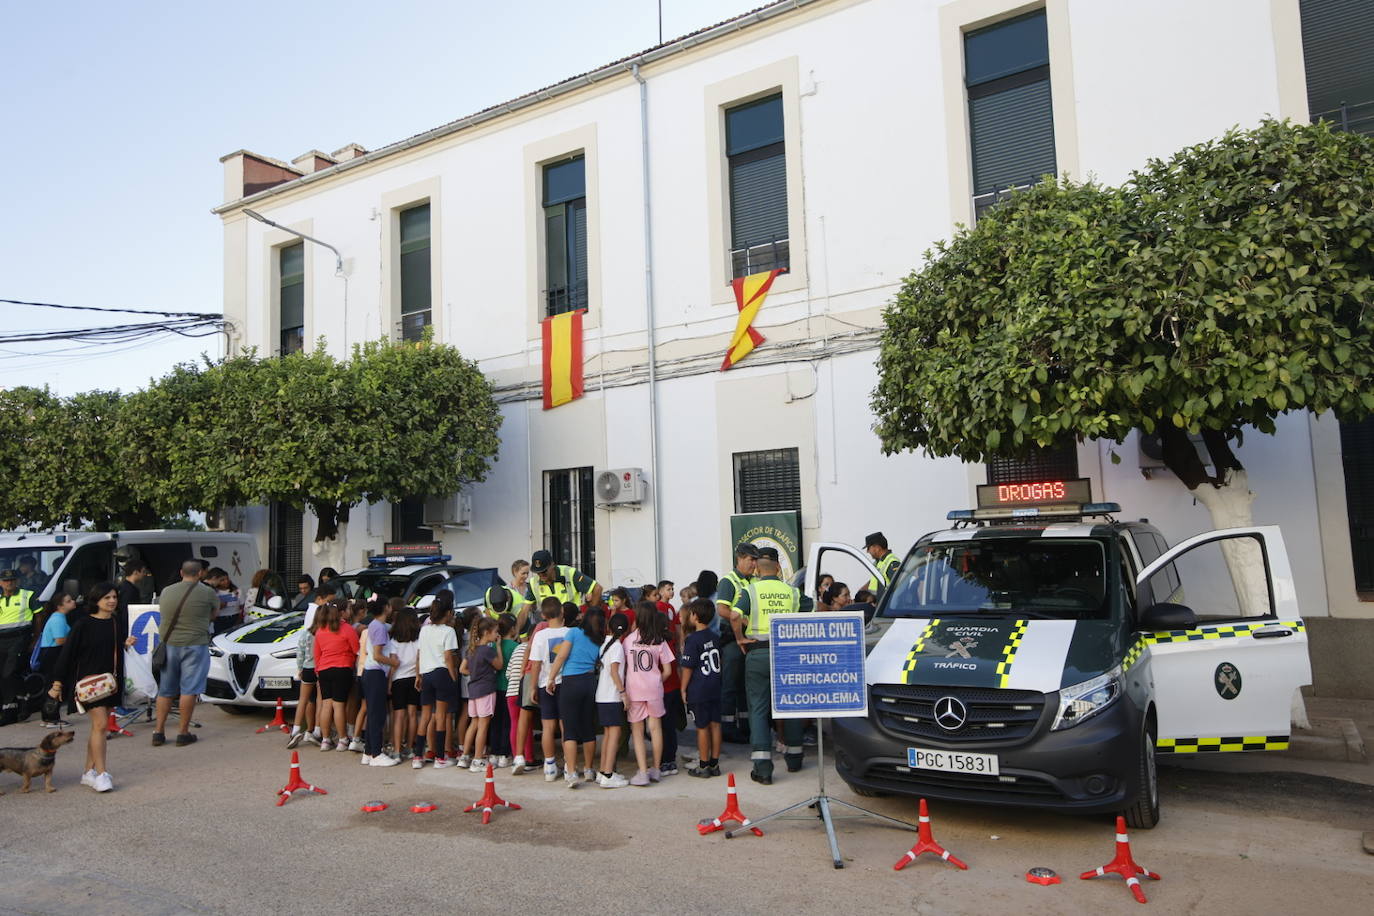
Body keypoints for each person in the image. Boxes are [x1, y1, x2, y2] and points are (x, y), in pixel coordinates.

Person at [49, 582, 134, 792]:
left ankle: (88, 772)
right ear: (96, 600)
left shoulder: (115, 622)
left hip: (110, 684)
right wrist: (57, 684)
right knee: (101, 724)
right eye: (107, 598)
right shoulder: (83, 624)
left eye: (114, 597)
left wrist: (125, 643)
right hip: (88, 684)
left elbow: (112, 648)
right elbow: (67, 654)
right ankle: (102, 774)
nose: (112, 601)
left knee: (98, 727)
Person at [736, 554, 804, 784]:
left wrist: (739, 638)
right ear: (777, 568)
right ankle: (795, 758)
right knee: (792, 704)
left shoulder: (751, 591)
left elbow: (734, 614)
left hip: (758, 653)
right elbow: (814, 608)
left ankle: (763, 768)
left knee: (758, 708)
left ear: (756, 569)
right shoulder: (792, 591)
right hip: (788, 653)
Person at [152, 560, 217, 748]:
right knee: (189, 690)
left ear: (181, 572)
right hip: (195, 643)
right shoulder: (207, 592)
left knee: (165, 690)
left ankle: (158, 731)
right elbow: (214, 614)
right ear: (200, 574)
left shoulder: (167, 591)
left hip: (169, 643)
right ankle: (183, 732)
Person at [545, 606, 605, 788]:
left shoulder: (573, 632)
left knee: (569, 729)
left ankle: (571, 773)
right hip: (589, 682)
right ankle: (588, 769)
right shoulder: (599, 639)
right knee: (588, 727)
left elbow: (561, 656)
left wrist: (551, 678)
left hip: (570, 682)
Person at [623, 602, 675, 787]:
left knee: (637, 732)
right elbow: (668, 670)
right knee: (655, 729)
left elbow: (625, 666)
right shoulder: (659, 639)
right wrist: (657, 679)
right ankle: (656, 769)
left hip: (634, 690)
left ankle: (643, 771)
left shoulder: (629, 640)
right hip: (654, 689)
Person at [714, 544, 758, 743]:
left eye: (756, 560)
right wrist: (744, 620)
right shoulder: (729, 581)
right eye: (751, 559)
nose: (754, 563)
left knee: (744, 685)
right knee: (730, 684)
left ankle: (746, 726)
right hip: (732, 638)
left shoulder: (754, 580)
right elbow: (722, 609)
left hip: (749, 639)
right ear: (740, 558)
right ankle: (728, 727)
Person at [527, 597, 569, 781]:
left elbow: (535, 664)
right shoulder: (571, 632)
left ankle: (549, 766)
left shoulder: (540, 636)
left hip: (546, 683)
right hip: (566, 683)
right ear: (562, 612)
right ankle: (569, 764)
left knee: (547, 726)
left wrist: (533, 686)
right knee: (566, 725)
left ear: (543, 615)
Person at [680, 597, 723, 777]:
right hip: (715, 686)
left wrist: (683, 688)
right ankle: (714, 763)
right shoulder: (715, 637)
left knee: (702, 727)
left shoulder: (693, 640)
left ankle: (703, 765)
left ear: (695, 616)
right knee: (716, 724)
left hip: (699, 688)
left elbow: (688, 667)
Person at [415, 595, 458, 768]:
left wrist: (418, 675)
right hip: (442, 673)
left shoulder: (424, 630)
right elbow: (448, 657)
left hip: (426, 674)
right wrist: (453, 676)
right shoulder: (449, 631)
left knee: (425, 716)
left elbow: (419, 654)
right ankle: (440, 758)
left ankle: (418, 756)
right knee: (440, 716)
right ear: (448, 613)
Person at [313, 598, 359, 752]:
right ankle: (342, 739)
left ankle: (325, 740)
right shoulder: (347, 629)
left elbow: (317, 654)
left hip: (324, 669)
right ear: (341, 612)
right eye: (347, 609)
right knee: (339, 705)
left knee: (327, 704)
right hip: (342, 668)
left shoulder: (320, 630)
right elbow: (356, 649)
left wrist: (318, 671)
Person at [459, 617, 503, 771]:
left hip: (473, 690)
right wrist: (498, 647)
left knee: (474, 723)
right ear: (487, 632)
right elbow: (499, 665)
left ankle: (464, 756)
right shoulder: (488, 650)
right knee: (483, 725)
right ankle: (478, 759)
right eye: (495, 632)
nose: (497, 634)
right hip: (486, 689)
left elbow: (462, 669)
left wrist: (475, 672)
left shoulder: (471, 649)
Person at [360, 598, 400, 766]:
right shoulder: (379, 627)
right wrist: (394, 663)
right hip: (376, 673)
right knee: (377, 715)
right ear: (385, 608)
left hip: (370, 673)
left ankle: (369, 751)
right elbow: (377, 655)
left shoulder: (376, 625)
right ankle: (376, 753)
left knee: (373, 713)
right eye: (389, 605)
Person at [593, 611, 630, 788]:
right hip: (612, 696)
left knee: (608, 734)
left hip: (602, 696)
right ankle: (608, 774)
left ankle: (603, 771)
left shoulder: (605, 644)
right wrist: (623, 694)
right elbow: (615, 672)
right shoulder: (617, 647)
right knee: (614, 734)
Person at [0, 568, 40, 725]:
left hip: (20, 636)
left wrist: (35, 638)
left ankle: (11, 708)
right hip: (2, 638)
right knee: (5, 674)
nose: (9, 583)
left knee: (9, 673)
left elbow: (38, 616)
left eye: (12, 580)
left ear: (17, 581)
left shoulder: (27, 595)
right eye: (5, 580)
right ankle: (22, 699)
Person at [33, 593, 76, 728]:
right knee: (55, 684)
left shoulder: (58, 617)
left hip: (50, 652)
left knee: (52, 683)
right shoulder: (58, 618)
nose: (73, 602)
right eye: (69, 601)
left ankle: (49, 716)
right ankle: (51, 717)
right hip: (53, 653)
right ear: (60, 605)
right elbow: (59, 640)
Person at [387, 605, 421, 766]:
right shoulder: (418, 638)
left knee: (398, 715)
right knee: (413, 714)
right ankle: (409, 746)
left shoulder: (393, 640)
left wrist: (389, 682)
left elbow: (393, 663)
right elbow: (419, 659)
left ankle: (396, 750)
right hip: (414, 678)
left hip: (398, 679)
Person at [285, 602, 321, 749]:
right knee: (319, 700)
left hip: (306, 668)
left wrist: (299, 668)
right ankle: (316, 730)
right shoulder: (323, 633)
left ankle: (296, 730)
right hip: (319, 669)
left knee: (303, 700)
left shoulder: (306, 633)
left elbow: (300, 652)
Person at [523, 549, 602, 611]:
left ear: (552, 565)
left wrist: (589, 615)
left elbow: (597, 588)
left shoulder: (569, 573)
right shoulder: (533, 583)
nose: (541, 575)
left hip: (571, 623)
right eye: (538, 572)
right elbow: (525, 610)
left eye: (544, 571)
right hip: (550, 625)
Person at [505, 625, 536, 775]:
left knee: (514, 724)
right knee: (527, 725)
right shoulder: (533, 649)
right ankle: (529, 758)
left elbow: (508, 673)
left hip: (510, 692)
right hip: (523, 690)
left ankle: (517, 756)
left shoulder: (517, 648)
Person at [490, 613, 518, 766]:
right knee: (508, 722)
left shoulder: (494, 645)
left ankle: (494, 752)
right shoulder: (516, 647)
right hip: (510, 688)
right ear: (512, 629)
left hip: (495, 687)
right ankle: (504, 753)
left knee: (496, 722)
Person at [208, 567, 243, 635]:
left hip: (235, 618)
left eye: (227, 579)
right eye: (222, 580)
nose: (226, 581)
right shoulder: (214, 592)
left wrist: (240, 618)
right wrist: (219, 606)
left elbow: (242, 606)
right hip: (220, 620)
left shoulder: (237, 591)